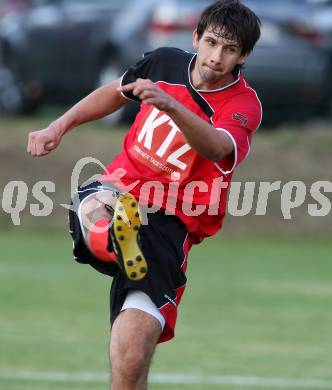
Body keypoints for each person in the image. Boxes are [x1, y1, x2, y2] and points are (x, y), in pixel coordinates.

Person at [27, 1, 262, 388]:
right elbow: (116, 92)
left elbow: (218, 148)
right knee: (94, 201)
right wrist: (59, 125)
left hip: (169, 226)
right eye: (212, 42)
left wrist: (172, 106)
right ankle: (116, 236)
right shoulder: (164, 63)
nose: (217, 57)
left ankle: (122, 237)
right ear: (196, 38)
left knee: (132, 358)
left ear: (244, 55)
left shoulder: (242, 104)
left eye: (230, 49)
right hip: (120, 189)